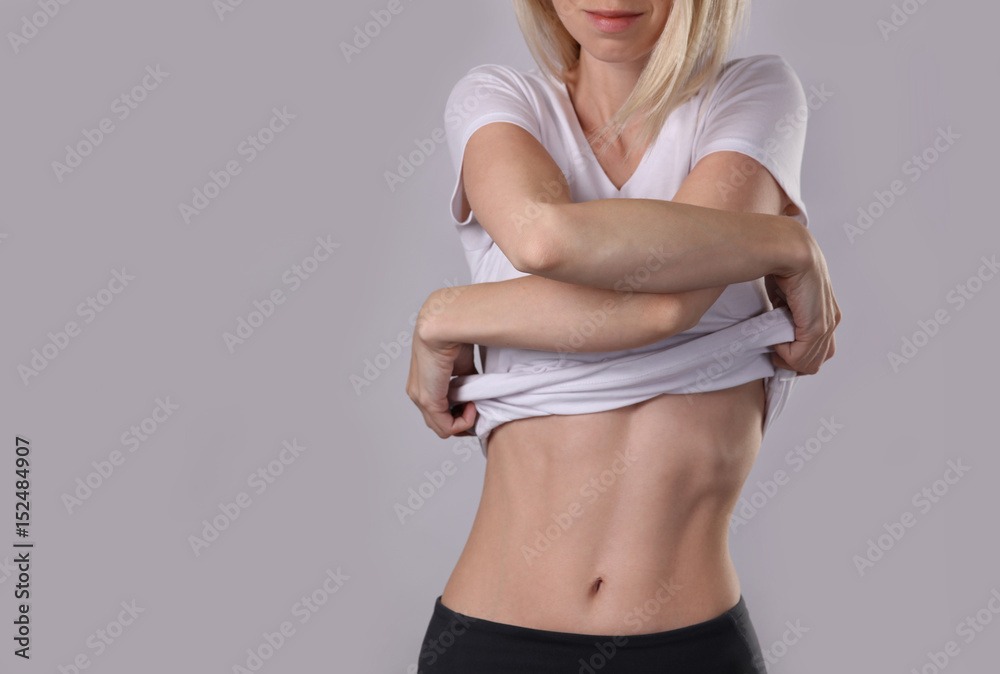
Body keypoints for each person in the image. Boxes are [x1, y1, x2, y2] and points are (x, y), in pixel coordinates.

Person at [406, 1, 840, 671]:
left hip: (690, 647)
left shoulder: (752, 96)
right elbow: (541, 236)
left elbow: (670, 306)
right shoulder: (498, 101)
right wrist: (785, 244)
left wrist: (457, 316)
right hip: (493, 638)